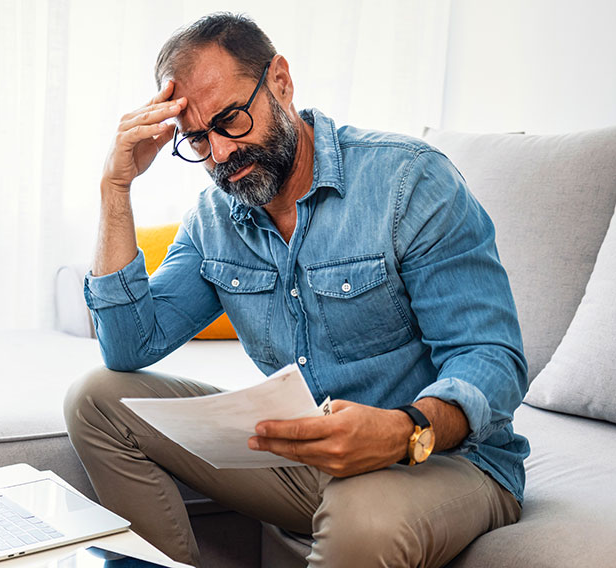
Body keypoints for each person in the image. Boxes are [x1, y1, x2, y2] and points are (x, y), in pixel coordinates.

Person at [63, 12, 528, 568]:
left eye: (231, 120)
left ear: (280, 80)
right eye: (196, 139)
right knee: (95, 398)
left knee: (366, 513)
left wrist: (403, 429)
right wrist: (116, 188)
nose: (219, 155)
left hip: (437, 459)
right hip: (313, 460)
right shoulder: (215, 219)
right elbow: (127, 348)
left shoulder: (409, 183)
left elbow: (492, 358)